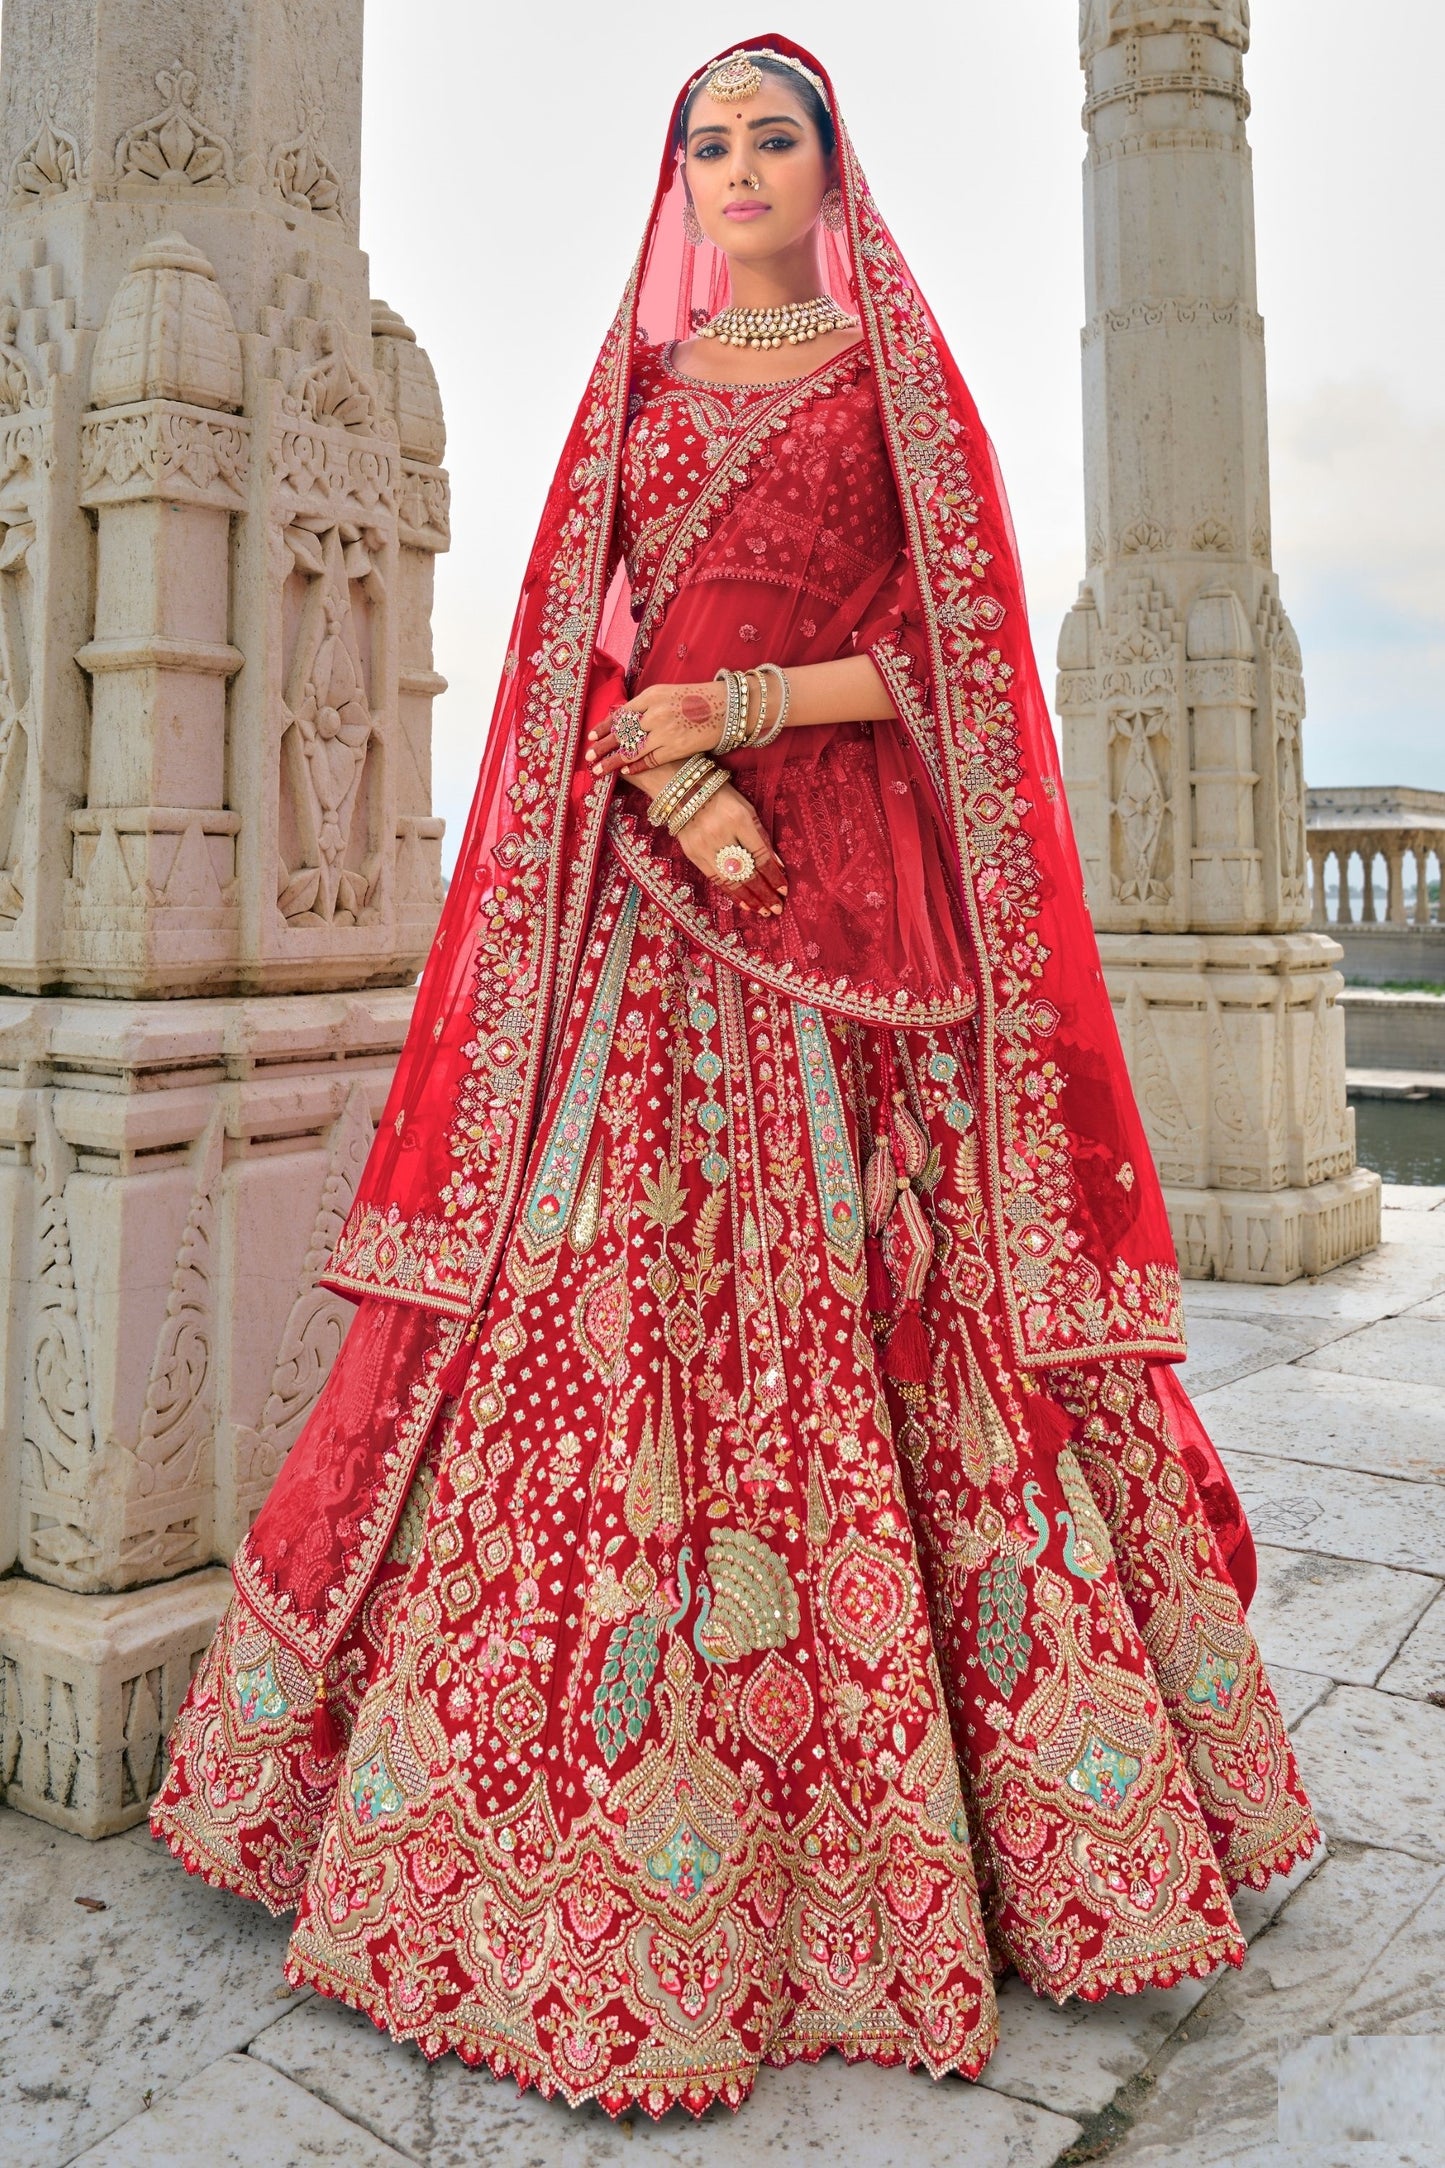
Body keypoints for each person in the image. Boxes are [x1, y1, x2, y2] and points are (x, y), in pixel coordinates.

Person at [152, 36, 1317, 2121]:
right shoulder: (633, 392)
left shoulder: (887, 387)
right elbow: (559, 645)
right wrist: (656, 745)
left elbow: (959, 652)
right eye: (713, 141)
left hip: (845, 913)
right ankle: (498, 1852)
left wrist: (749, 703)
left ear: (829, 167)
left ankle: (954, 1847)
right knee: (588, 1313)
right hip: (639, 904)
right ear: (682, 176)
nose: (744, 165)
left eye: (776, 136)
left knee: (888, 1315)